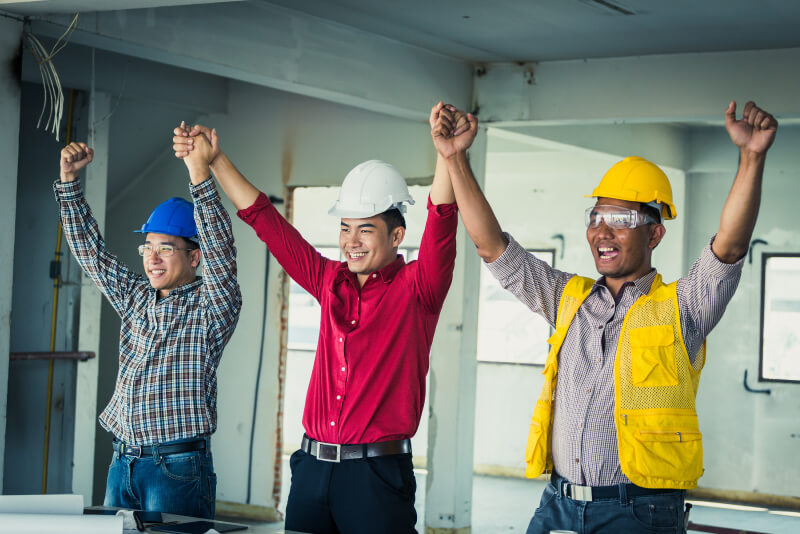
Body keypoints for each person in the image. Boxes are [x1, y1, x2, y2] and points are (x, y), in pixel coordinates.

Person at [433, 101, 777, 534]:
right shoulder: (566, 298)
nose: (602, 231)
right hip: (557, 505)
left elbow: (728, 248)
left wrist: (751, 157)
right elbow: (492, 247)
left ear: (655, 233)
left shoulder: (682, 308)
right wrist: (454, 158)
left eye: (620, 219)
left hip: (639, 513)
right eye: (596, 217)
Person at [172, 103, 464, 533]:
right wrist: (216, 160)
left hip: (376, 477)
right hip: (311, 469)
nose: (351, 241)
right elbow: (267, 222)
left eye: (365, 229)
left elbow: (442, 222)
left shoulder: (417, 289)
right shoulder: (329, 281)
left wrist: (447, 155)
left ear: (397, 235)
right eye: (345, 228)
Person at [55, 133, 242, 518]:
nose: (152, 259)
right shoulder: (136, 296)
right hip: (122, 463)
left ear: (195, 257)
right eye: (148, 248)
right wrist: (69, 183)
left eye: (166, 248)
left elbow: (222, 250)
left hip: (175, 470)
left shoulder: (212, 307)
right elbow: (92, 254)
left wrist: (199, 175)